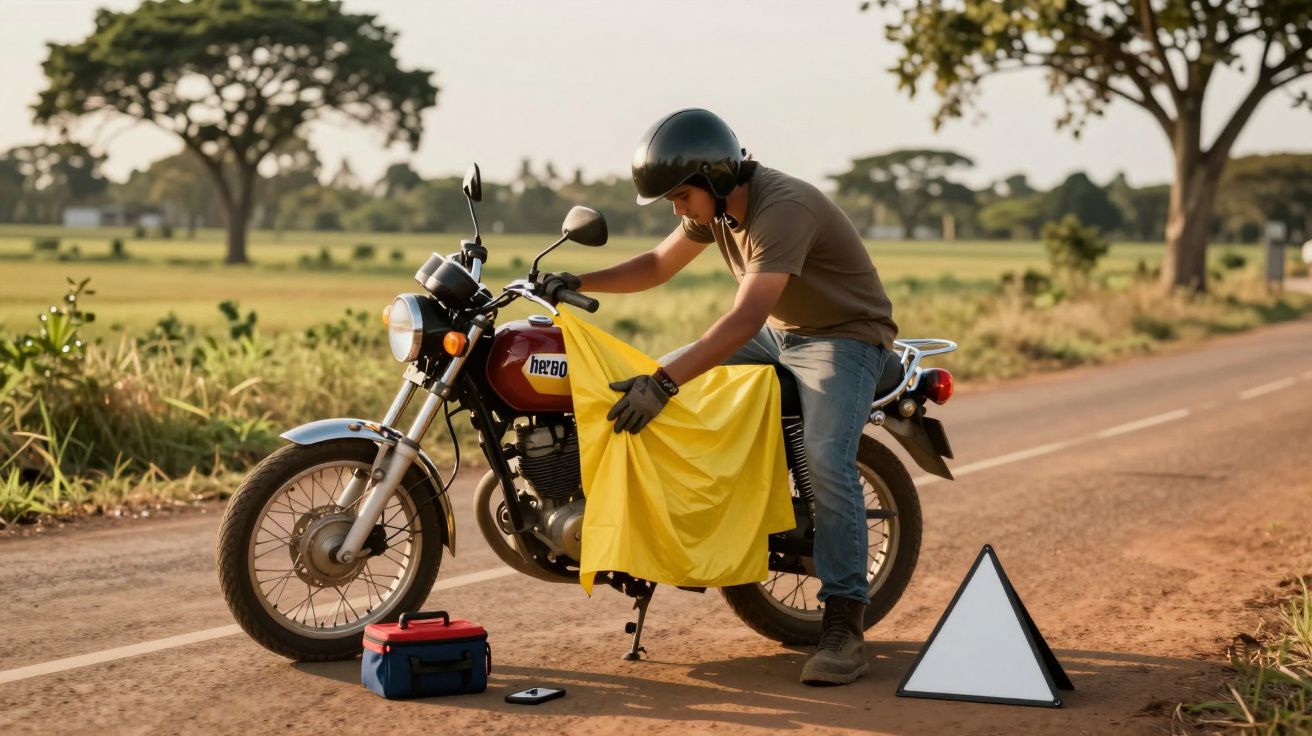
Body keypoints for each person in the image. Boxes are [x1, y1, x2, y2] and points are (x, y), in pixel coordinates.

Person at [542, 108, 898, 686]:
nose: (677, 210)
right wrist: (577, 281)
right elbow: (657, 265)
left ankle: (844, 627)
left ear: (715, 176)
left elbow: (743, 318)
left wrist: (664, 383)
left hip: (845, 337)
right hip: (779, 333)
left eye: (681, 197)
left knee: (825, 459)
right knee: (654, 382)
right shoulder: (719, 208)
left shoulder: (782, 209)